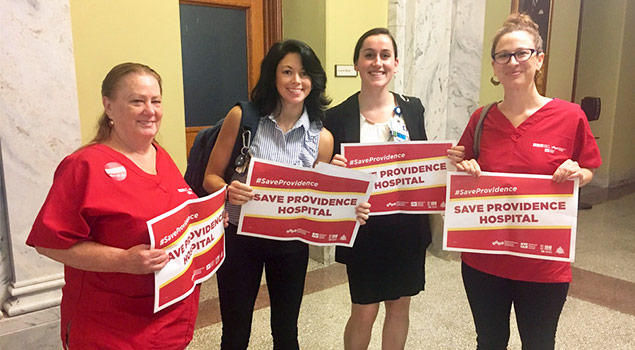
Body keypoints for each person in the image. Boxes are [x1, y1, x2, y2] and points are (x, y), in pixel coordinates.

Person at [203, 39, 366, 350]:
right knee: (235, 332)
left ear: (313, 80)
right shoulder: (243, 118)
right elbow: (210, 176)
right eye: (287, 72)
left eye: (303, 73)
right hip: (240, 239)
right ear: (273, 76)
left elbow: (319, 202)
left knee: (286, 331)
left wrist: (350, 207)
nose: (296, 81)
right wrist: (227, 190)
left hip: (291, 244)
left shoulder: (323, 138)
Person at [26, 63, 200, 349]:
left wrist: (209, 221)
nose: (150, 110)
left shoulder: (159, 154)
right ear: (109, 106)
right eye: (137, 101)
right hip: (111, 328)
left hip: (168, 319)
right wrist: (123, 261)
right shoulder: (84, 166)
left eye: (155, 101)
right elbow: (49, 244)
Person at [456, 13, 602, 350]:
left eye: (522, 53)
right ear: (494, 67)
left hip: (543, 262)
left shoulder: (569, 116)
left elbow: (589, 167)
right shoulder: (482, 119)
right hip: (483, 260)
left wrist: (579, 174)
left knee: (538, 342)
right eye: (503, 56)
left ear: (539, 59)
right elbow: (462, 165)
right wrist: (464, 169)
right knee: (489, 341)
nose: (513, 62)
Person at [324, 28, 464, 350]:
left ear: (396, 63)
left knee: (400, 307)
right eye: (369, 55)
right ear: (357, 63)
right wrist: (335, 172)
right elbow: (326, 179)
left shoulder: (412, 108)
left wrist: (446, 163)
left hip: (406, 227)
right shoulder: (336, 116)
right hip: (363, 228)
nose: (377, 62)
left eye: (385, 55)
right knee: (363, 310)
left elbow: (423, 162)